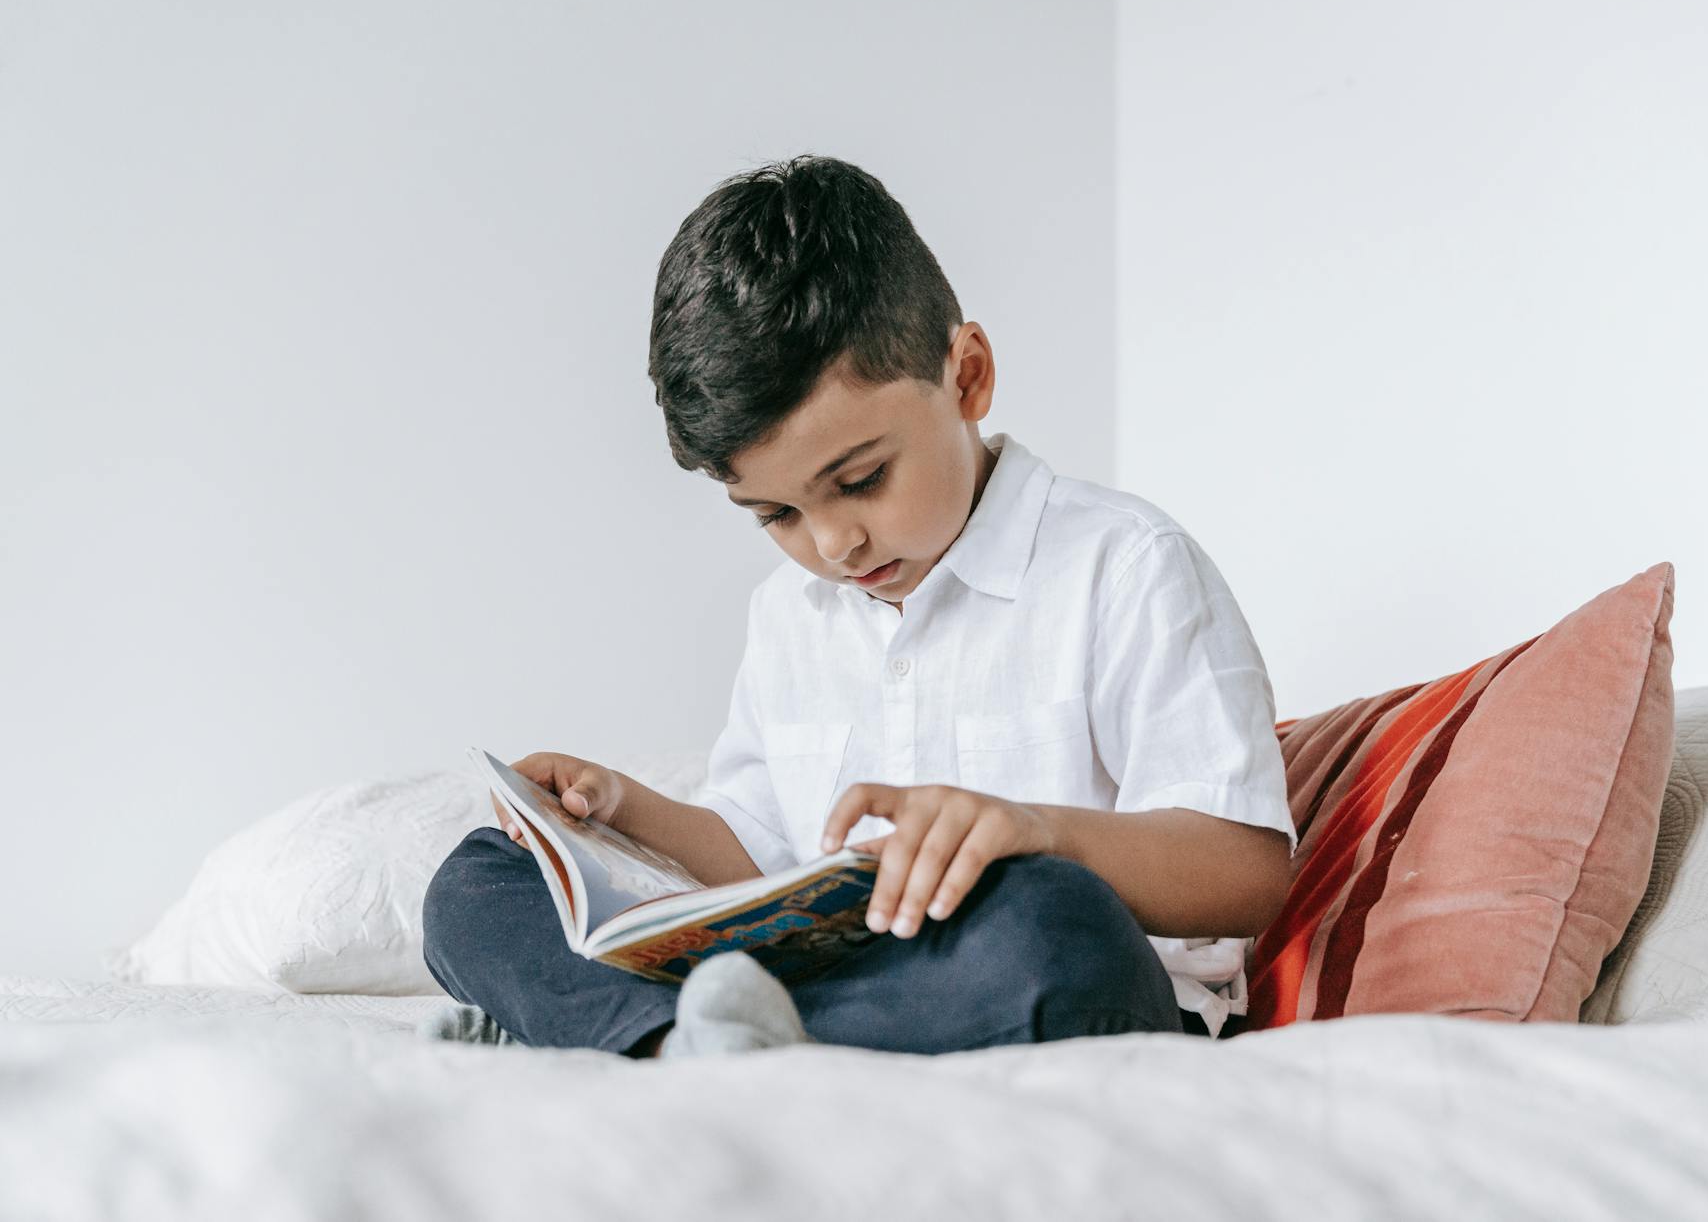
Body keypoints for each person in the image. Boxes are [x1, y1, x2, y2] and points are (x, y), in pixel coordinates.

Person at [420, 154, 1296, 1059]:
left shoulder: (1125, 565)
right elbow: (761, 858)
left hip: (1050, 973)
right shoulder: (790, 615)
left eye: (862, 480)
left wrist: (1039, 832)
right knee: (474, 884)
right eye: (777, 515)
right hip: (837, 979)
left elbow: (1249, 871)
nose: (833, 544)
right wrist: (620, 812)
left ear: (968, 377)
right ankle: (689, 1039)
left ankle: (614, 1032)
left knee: (1051, 911)